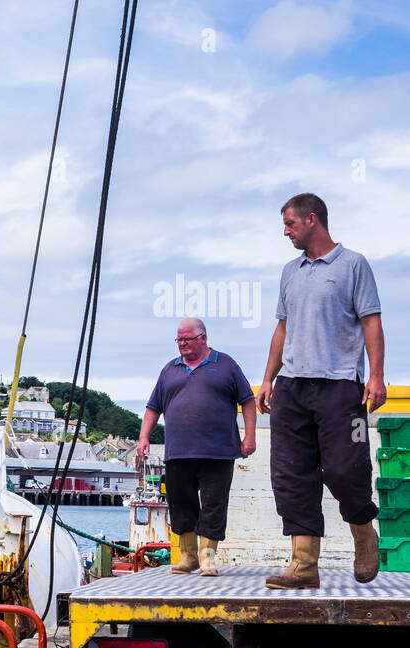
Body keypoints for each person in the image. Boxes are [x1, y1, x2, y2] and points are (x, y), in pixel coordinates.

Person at [258, 193, 384, 588]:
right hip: (292, 387)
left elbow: (371, 323)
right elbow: (282, 328)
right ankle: (304, 565)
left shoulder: (353, 265)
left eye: (290, 224)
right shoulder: (289, 272)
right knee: (291, 475)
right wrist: (267, 379)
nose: (285, 231)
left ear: (312, 220)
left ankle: (364, 536)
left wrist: (376, 376)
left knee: (347, 470)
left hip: (341, 386)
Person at [137, 318, 257, 575]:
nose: (182, 344)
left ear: (203, 337)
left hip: (218, 451)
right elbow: (152, 407)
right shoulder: (170, 369)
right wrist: (143, 437)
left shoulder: (226, 365)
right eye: (179, 340)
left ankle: (208, 559)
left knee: (214, 505)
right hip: (178, 452)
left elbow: (247, 400)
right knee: (181, 503)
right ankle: (189, 557)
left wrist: (249, 436)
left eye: (187, 339)